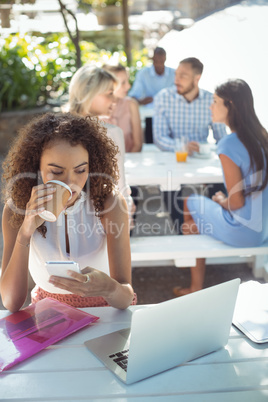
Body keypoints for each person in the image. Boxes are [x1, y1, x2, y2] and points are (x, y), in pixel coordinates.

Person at [0, 113, 137, 312]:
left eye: (80, 170)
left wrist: (108, 287)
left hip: (104, 312)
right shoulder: (17, 207)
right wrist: (25, 231)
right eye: (56, 172)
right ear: (36, 167)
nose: (70, 183)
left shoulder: (109, 203)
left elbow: (125, 298)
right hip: (47, 316)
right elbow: (11, 302)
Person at [173, 79, 268, 296]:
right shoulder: (262, 137)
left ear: (230, 105)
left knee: (190, 202)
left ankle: (195, 288)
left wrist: (219, 201)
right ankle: (200, 238)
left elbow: (235, 203)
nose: (210, 106)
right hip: (264, 230)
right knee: (198, 218)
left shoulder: (228, 143)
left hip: (245, 233)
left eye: (215, 102)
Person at [66, 64, 135, 224]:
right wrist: (126, 217)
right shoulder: (111, 133)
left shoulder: (54, 130)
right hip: (103, 218)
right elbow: (119, 184)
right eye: (109, 93)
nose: (114, 99)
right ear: (89, 94)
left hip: (63, 219)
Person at [153, 57, 227, 154]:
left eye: (183, 76)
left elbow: (222, 138)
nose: (176, 81)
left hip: (203, 159)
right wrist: (182, 147)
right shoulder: (163, 98)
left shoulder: (212, 100)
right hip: (172, 159)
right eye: (176, 75)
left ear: (197, 78)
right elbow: (159, 138)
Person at [101, 64, 143, 153]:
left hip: (129, 162)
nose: (128, 86)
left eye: (127, 81)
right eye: (123, 83)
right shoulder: (95, 107)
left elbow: (138, 145)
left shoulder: (131, 104)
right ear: (109, 84)